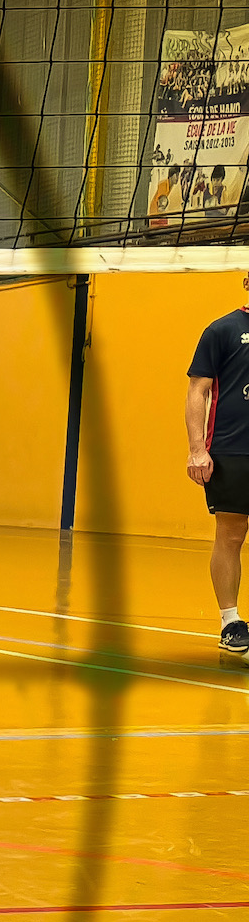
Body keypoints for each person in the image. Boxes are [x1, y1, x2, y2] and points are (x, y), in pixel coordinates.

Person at [187, 277, 249, 655]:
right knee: (231, 533)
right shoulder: (222, 330)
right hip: (232, 450)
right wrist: (197, 450)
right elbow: (198, 390)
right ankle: (231, 623)